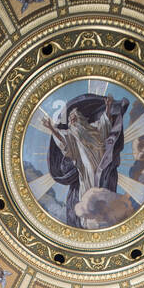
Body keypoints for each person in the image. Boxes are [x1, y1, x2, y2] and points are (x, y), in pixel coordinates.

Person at [43, 93, 128, 228]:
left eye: (74, 118)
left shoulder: (94, 128)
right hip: (85, 168)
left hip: (101, 162)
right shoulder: (74, 138)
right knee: (87, 191)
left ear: (80, 118)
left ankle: (100, 213)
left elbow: (105, 123)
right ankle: (88, 218)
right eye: (70, 120)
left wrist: (108, 106)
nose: (72, 122)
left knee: (101, 188)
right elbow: (64, 143)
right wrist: (52, 129)